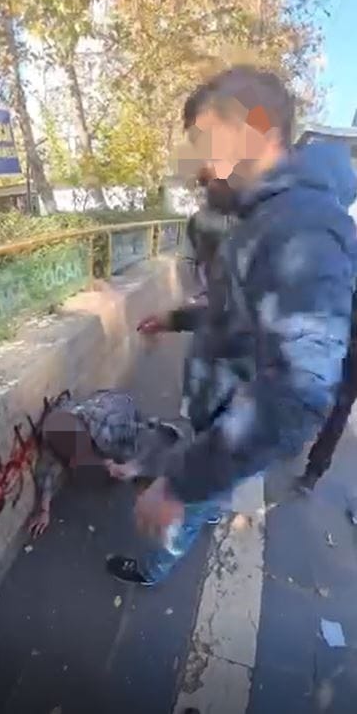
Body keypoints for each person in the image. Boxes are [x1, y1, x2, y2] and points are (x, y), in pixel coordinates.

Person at [105, 65, 357, 586]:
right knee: (201, 492)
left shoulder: (300, 226)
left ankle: (153, 569)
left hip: (232, 421)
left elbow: (298, 393)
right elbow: (243, 314)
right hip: (222, 415)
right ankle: (199, 501)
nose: (196, 167)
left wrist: (179, 483)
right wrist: (176, 318)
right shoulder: (270, 218)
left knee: (189, 505)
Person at [28, 389, 196, 539]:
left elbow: (168, 435)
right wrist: (44, 510)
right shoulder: (58, 438)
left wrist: (135, 467)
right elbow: (46, 470)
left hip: (122, 419)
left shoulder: (113, 427)